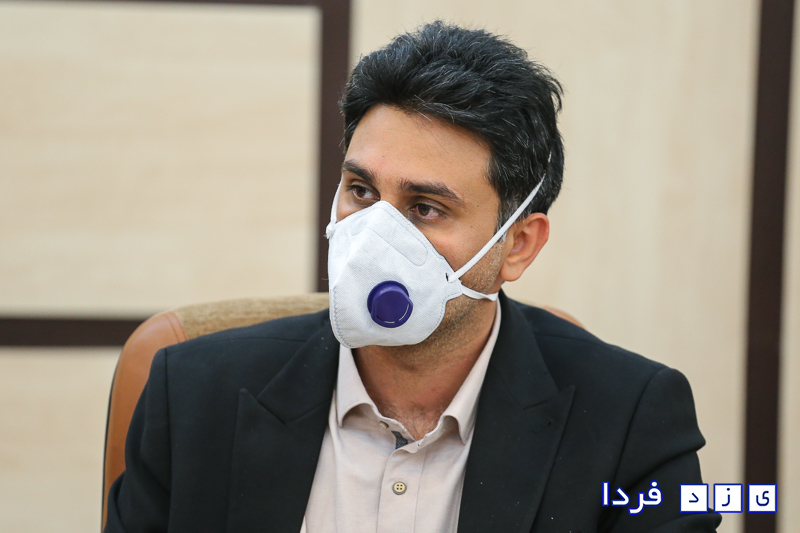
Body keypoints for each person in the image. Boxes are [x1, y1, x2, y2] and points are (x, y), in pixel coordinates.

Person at [105, 21, 721, 532]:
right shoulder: (194, 396)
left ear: (518, 246)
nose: (377, 234)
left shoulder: (630, 421)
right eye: (360, 190)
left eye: (426, 208)